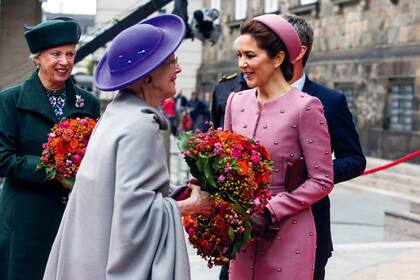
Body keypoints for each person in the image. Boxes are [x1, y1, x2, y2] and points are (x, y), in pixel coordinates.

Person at [42, 14, 211, 280]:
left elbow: (120, 193)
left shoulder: (116, 113)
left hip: (90, 259)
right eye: (171, 62)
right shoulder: (139, 125)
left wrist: (178, 192)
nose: (178, 69)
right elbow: (136, 215)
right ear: (148, 76)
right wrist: (192, 205)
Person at [223, 14, 334, 280]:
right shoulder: (235, 102)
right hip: (243, 235)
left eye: (250, 55)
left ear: (278, 58)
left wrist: (272, 210)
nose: (242, 64)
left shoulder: (306, 107)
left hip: (289, 232)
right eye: (239, 55)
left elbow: (322, 179)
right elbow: (224, 167)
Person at [0, 18, 100, 280]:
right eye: (55, 54)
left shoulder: (87, 103)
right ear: (37, 58)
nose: (64, 62)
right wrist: (53, 169)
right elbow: (3, 159)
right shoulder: (10, 101)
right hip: (25, 219)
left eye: (70, 54)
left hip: (72, 217)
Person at [283, 14, 366, 280]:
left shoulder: (330, 101)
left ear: (299, 50)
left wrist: (314, 172)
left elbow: (354, 158)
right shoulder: (245, 95)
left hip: (311, 225)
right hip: (253, 231)